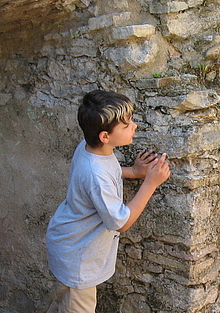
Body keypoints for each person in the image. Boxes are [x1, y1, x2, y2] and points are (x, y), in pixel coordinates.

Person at [45, 90, 170, 313]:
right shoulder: (96, 173)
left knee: (62, 306)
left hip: (68, 243)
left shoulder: (90, 149)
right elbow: (120, 222)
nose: (134, 126)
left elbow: (101, 176)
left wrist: (132, 171)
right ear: (105, 136)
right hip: (78, 258)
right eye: (126, 125)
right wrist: (150, 183)